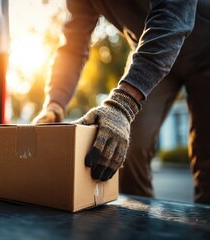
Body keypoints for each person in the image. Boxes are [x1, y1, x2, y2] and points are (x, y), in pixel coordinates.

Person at [32, 0, 210, 204]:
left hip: (203, 49)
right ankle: (138, 227)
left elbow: (174, 15)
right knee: (123, 148)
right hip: (150, 55)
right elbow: (73, 45)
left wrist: (123, 103)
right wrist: (54, 103)